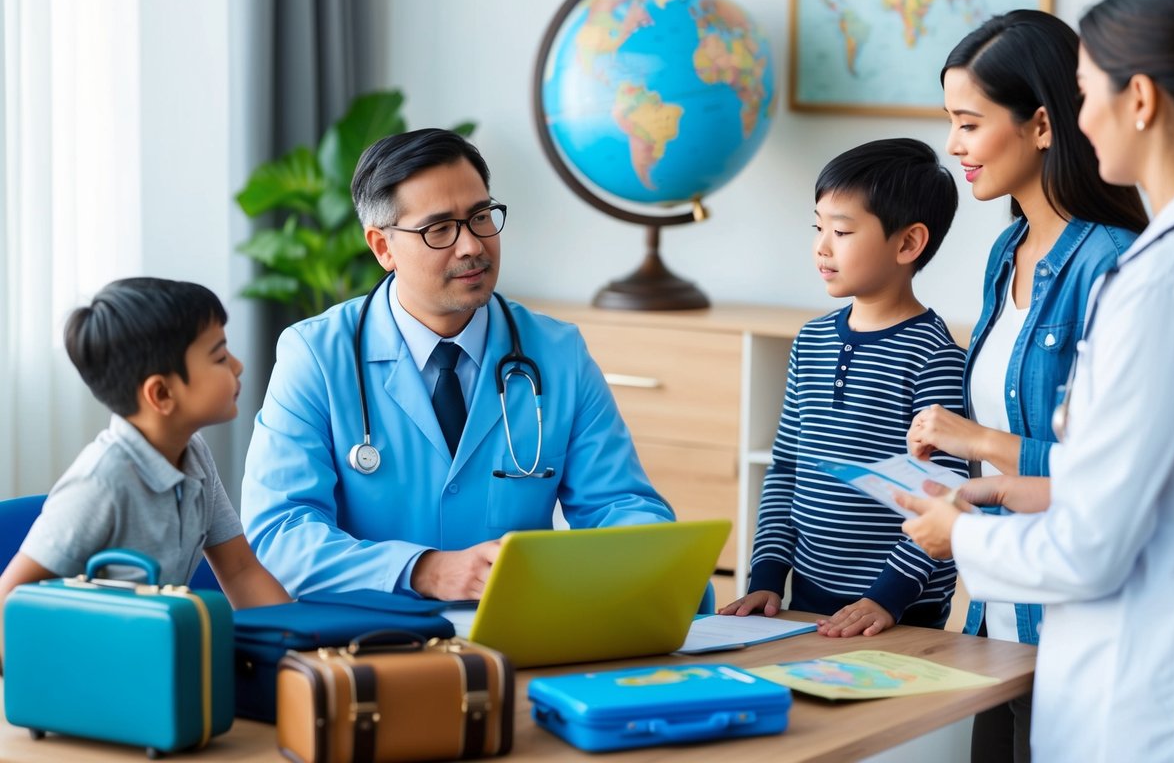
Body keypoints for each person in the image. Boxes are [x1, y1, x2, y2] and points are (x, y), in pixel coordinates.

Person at [899, 0, 1174, 761]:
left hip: (1138, 695)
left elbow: (1091, 542)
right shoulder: (1170, 262)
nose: (1078, 116)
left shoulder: (1150, 280)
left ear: (1138, 99)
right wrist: (1024, 488)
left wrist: (963, 536)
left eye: (1085, 91)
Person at [241, 128, 674, 600]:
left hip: (519, 636)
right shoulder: (317, 356)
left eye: (481, 216)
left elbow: (618, 504)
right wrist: (424, 571)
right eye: (439, 229)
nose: (472, 246)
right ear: (383, 247)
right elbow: (280, 535)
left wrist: (654, 553)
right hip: (372, 642)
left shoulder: (557, 352)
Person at [719, 138, 967, 637]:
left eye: (842, 230)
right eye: (818, 227)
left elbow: (945, 495)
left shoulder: (934, 356)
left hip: (898, 611)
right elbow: (785, 467)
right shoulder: (811, 340)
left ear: (908, 244)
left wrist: (887, 597)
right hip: (806, 600)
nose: (821, 246)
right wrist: (767, 576)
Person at [0, 278, 290, 666]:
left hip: (157, 670)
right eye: (220, 357)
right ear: (162, 394)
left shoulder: (194, 453)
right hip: (104, 682)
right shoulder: (101, 482)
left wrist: (298, 650)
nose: (237, 365)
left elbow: (240, 571)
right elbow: (10, 600)